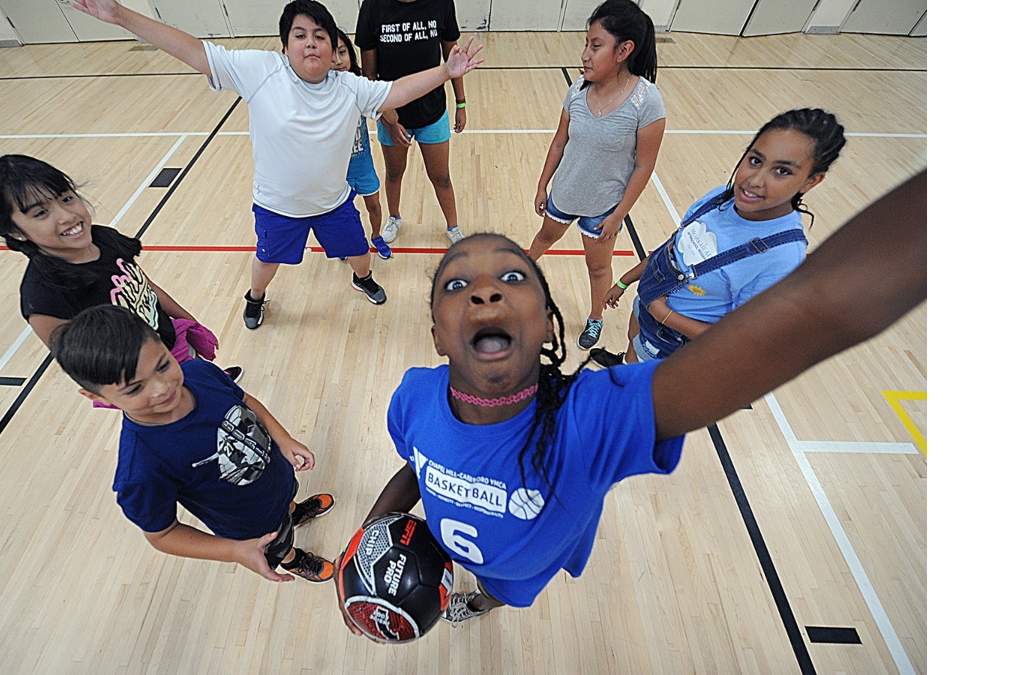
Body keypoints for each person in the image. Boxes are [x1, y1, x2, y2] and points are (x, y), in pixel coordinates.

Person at [341, 169, 925, 628]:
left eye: (515, 278)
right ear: (438, 334)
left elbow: (819, 309)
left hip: (526, 568)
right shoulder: (413, 397)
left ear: (548, 326)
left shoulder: (593, 415)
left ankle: (485, 602)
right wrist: (366, 541)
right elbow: (415, 467)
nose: (486, 290)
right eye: (457, 285)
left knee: (504, 594)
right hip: (443, 546)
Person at [71, 0, 483, 329]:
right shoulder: (261, 71)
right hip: (277, 207)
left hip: (333, 204)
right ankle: (255, 299)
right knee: (265, 263)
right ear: (285, 45)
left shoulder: (348, 87)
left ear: (332, 46)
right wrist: (121, 15)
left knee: (359, 253)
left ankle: (362, 280)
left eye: (319, 36)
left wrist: (446, 71)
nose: (310, 43)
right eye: (299, 35)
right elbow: (194, 51)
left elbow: (395, 91)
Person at [52, 305, 339, 583]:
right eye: (136, 388)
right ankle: (293, 558)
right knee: (278, 543)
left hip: (277, 476)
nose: (163, 387)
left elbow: (244, 400)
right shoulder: (141, 469)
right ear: (96, 397)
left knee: (286, 501)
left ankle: (293, 511)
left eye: (163, 365)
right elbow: (162, 534)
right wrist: (234, 551)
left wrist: (283, 439)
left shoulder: (200, 373)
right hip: (251, 525)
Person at [593, 108, 845, 367]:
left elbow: (739, 340)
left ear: (811, 181)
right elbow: (674, 247)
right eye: (756, 161)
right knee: (634, 346)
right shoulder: (720, 198)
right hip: (648, 307)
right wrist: (625, 282)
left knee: (638, 389)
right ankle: (626, 362)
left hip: (674, 341)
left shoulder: (781, 257)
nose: (755, 181)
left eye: (782, 171)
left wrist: (664, 315)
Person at [0, 154, 243, 385]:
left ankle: (212, 379)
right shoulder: (43, 297)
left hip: (175, 347)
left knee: (211, 384)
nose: (67, 216)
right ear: (13, 231)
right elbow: (80, 367)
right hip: (148, 383)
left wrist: (192, 322)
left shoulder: (103, 238)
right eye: (40, 213)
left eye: (66, 199)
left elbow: (145, 286)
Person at [526, 0, 664, 351]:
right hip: (566, 192)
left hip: (604, 208)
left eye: (595, 45)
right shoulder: (576, 90)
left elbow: (644, 166)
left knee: (597, 269)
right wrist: (543, 184)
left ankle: (595, 317)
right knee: (543, 239)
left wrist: (618, 216)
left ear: (624, 50)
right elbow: (559, 143)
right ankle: (518, 275)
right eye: (586, 44)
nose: (585, 54)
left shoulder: (646, 102)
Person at [355, 0, 468, 246]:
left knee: (441, 176)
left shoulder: (441, 4)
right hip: (392, 115)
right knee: (394, 173)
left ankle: (453, 227)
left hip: (433, 112)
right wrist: (389, 120)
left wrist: (461, 102)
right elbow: (370, 76)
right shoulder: (374, 7)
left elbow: (453, 60)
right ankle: (394, 218)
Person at [333, 28, 391, 260]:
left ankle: (376, 236)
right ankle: (344, 245)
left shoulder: (359, 87)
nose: (338, 61)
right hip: (338, 172)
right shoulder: (320, 95)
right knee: (343, 215)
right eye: (332, 56)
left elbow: (390, 116)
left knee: (374, 207)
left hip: (363, 166)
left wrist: (380, 94)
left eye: (343, 52)